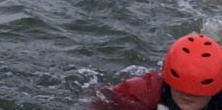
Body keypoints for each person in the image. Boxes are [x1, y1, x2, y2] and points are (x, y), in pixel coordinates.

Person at [92, 33, 222, 110]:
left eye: (196, 93)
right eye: (179, 88)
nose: (186, 95)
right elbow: (104, 97)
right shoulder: (146, 91)